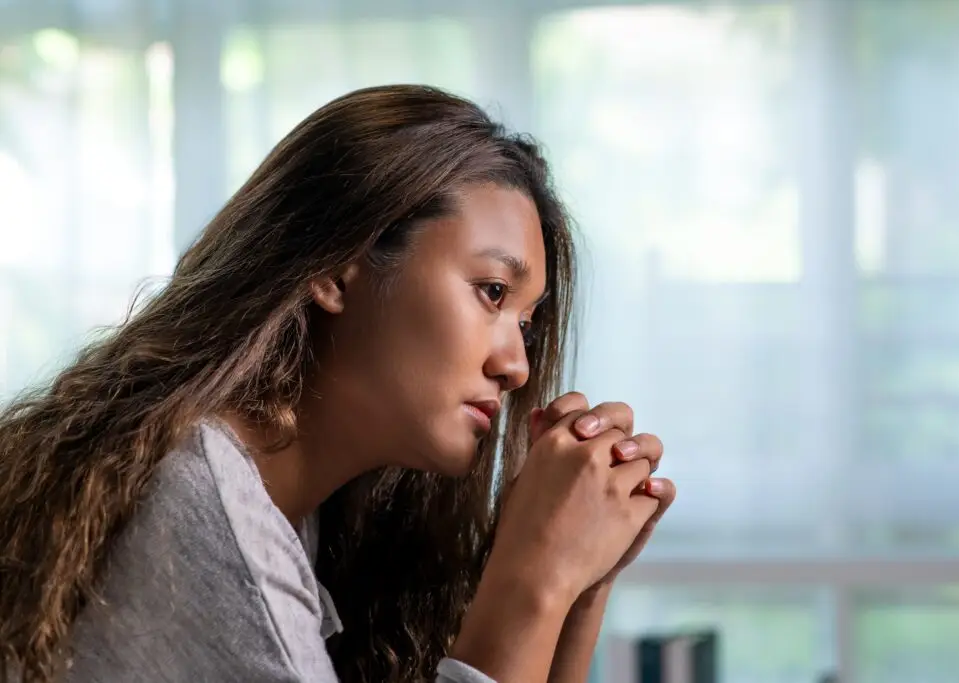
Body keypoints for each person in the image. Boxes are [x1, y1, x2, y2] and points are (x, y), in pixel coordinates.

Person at [0, 85, 675, 683]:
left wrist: (581, 582)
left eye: (526, 325)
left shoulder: (314, 519)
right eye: (491, 291)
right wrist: (535, 580)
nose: (518, 365)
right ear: (335, 268)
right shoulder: (205, 514)